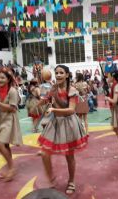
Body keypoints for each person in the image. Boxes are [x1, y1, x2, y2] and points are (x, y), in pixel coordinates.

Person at [38, 65, 88, 195]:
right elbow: (47, 100)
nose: (58, 75)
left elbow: (71, 109)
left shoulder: (72, 90)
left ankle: (71, 181)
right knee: (44, 153)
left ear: (67, 75)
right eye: (56, 73)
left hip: (69, 123)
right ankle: (51, 179)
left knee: (69, 156)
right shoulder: (53, 89)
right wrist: (41, 102)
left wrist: (54, 109)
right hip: (55, 123)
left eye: (61, 73)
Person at [0, 67, 23, 182]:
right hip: (1, 119)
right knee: (5, 145)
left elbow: (12, 109)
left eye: (3, 78)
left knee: (0, 144)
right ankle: (10, 169)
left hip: (9, 120)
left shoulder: (12, 91)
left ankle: (12, 168)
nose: (0, 80)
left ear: (8, 79)